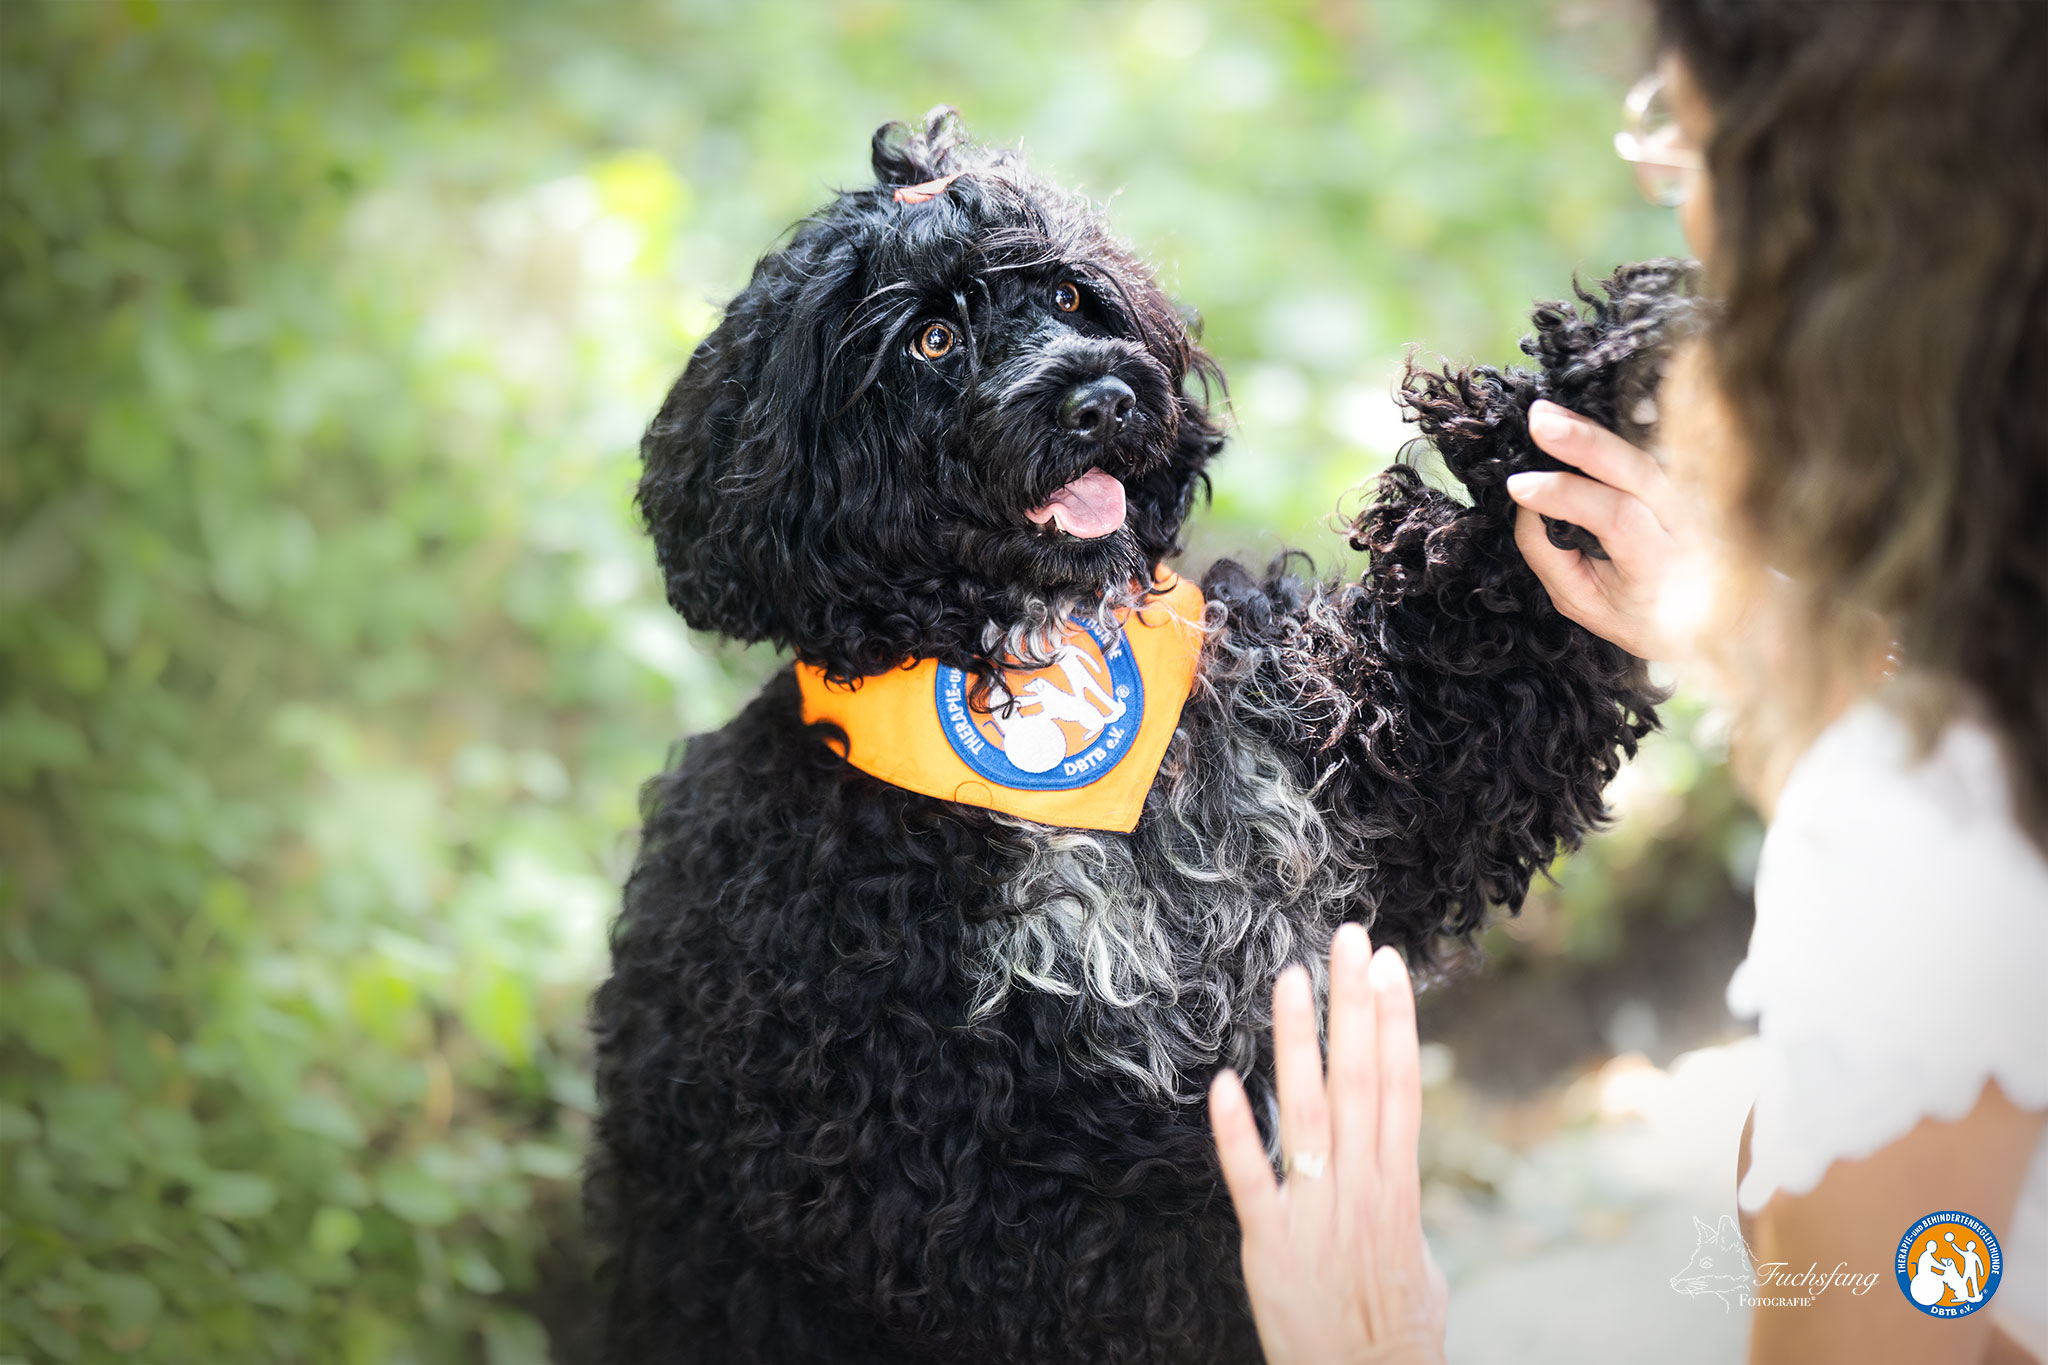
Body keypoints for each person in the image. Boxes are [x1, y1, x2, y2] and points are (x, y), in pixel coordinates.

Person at [1208, 2, 2047, 1362]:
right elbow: (1948, 1284)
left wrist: (1376, 1347)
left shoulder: (1921, 857)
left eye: (1697, 145)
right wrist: (1766, 641)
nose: (1675, 199)